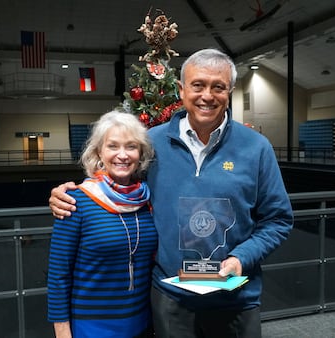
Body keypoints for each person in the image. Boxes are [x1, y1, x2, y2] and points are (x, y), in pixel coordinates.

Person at [49, 48, 294, 338]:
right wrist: (66, 193)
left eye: (218, 87)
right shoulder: (152, 143)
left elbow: (278, 220)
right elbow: (116, 181)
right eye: (198, 85)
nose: (207, 95)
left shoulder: (257, 147)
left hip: (235, 301)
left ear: (230, 91)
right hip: (170, 301)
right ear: (181, 89)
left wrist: (242, 258)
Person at [47, 110, 157, 338]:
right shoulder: (76, 201)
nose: (123, 155)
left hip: (143, 324)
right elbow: (58, 275)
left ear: (141, 153)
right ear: (99, 151)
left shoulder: (147, 200)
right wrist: (62, 332)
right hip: (92, 327)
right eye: (113, 146)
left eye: (131, 146)